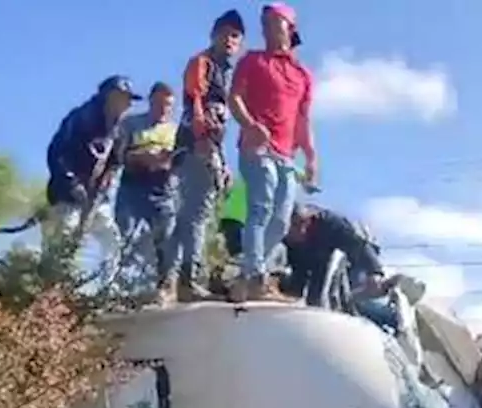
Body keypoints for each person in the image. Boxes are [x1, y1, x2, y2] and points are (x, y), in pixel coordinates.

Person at [228, 3, 318, 303]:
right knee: (260, 207)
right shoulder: (252, 61)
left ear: (289, 29)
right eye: (264, 23)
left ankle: (247, 274)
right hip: (256, 148)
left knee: (280, 221)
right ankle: (256, 276)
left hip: (286, 155)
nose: (267, 28)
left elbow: (303, 120)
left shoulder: (303, 75)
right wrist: (250, 125)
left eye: (273, 22)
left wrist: (311, 157)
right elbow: (235, 99)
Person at [159, 9, 245, 304]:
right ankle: (189, 278)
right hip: (197, 144)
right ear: (214, 35)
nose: (231, 40)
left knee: (192, 214)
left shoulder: (226, 71)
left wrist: (221, 158)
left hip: (208, 145)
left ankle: (169, 276)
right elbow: (196, 101)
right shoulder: (203, 62)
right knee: (197, 213)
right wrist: (204, 143)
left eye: (236, 36)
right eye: (226, 33)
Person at [43, 75, 141, 281]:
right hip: (67, 194)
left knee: (111, 239)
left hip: (96, 197)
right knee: (64, 237)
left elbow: (115, 162)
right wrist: (70, 183)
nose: (129, 104)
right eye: (124, 98)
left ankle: (109, 287)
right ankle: (51, 287)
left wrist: (105, 184)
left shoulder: (120, 130)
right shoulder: (80, 118)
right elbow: (56, 152)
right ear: (110, 96)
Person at [114, 82, 179, 301]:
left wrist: (167, 161)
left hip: (163, 189)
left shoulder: (175, 131)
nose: (163, 109)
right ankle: (123, 288)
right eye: (159, 103)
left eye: (168, 105)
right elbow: (118, 155)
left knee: (166, 237)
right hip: (133, 186)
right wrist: (142, 157)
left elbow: (183, 161)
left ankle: (166, 285)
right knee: (126, 235)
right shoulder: (131, 124)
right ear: (151, 101)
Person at [283, 202, 391, 319]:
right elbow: (298, 273)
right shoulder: (283, 236)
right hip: (306, 261)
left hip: (341, 261)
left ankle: (389, 317)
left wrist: (374, 272)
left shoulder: (330, 223)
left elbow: (358, 245)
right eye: (292, 227)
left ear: (309, 220)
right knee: (304, 294)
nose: (300, 231)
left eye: (302, 224)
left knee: (350, 290)